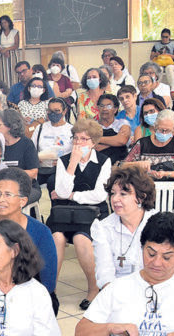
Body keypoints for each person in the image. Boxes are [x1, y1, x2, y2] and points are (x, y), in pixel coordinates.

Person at [78, 166, 157, 336]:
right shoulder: (103, 227)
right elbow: (105, 275)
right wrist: (120, 309)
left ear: (141, 197)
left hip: (153, 295)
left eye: (124, 193)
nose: (116, 199)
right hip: (114, 297)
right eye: (113, 193)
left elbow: (165, 269)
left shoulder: (157, 223)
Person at [0, 167, 58, 303]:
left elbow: (48, 282)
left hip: (33, 299)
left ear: (23, 201)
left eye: (8, 194)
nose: (1, 199)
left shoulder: (41, 232)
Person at [49, 118, 111, 309]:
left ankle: (94, 289)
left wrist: (73, 195)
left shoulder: (104, 161)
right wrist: (73, 164)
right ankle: (51, 290)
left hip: (93, 213)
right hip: (65, 213)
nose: (78, 143)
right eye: (76, 138)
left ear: (93, 142)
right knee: (57, 238)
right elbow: (61, 190)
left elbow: (99, 195)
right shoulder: (64, 161)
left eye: (84, 139)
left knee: (80, 239)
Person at [123, 109, 174, 183]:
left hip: (173, 186)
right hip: (146, 185)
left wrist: (166, 174)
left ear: (173, 130)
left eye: (167, 130)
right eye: (161, 129)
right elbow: (122, 165)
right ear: (155, 126)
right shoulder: (142, 143)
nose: (164, 133)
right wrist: (137, 164)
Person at [0, 108, 41, 202]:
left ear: (9, 126)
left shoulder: (26, 144)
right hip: (1, 187)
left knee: (10, 200)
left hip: (26, 187)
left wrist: (11, 174)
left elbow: (33, 173)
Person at [34, 98, 73, 194]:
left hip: (62, 169)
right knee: (27, 182)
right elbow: (32, 148)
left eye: (57, 111)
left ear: (64, 111)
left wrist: (64, 162)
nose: (53, 114)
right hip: (42, 167)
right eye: (50, 111)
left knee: (53, 182)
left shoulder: (71, 130)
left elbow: (75, 153)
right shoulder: (41, 128)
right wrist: (36, 158)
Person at [17, 75, 49, 140]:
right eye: (33, 86)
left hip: (42, 136)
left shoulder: (47, 104)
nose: (36, 88)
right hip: (25, 135)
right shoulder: (21, 104)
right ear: (29, 88)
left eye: (39, 86)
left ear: (43, 90)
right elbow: (16, 120)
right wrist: (23, 120)